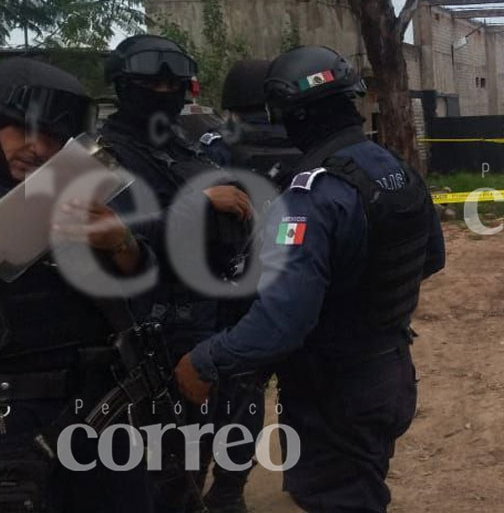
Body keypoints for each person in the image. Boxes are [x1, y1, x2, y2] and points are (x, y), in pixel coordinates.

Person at [174, 45, 446, 512]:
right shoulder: (396, 170)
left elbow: (282, 323)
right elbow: (432, 258)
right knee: (362, 487)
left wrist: (204, 361)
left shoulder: (311, 197)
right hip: (390, 372)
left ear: (292, 114)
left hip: (336, 390)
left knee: (339, 499)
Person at [0, 58, 153, 511]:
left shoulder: (82, 192)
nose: (38, 148)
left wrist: (121, 243)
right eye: (21, 129)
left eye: (54, 137)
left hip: (103, 408)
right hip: (11, 421)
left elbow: (145, 290)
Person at [99, 34, 254, 512]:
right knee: (162, 468)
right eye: (151, 83)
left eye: (174, 84)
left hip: (214, 318)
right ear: (124, 87)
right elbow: (111, 237)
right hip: (154, 333)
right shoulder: (105, 156)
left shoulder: (182, 147)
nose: (165, 92)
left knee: (206, 447)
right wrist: (199, 206)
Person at [197, 59, 301, 513]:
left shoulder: (215, 148)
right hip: (284, 288)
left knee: (205, 389)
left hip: (218, 289)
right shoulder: (305, 147)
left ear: (231, 105)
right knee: (251, 392)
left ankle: (192, 488)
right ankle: (229, 491)